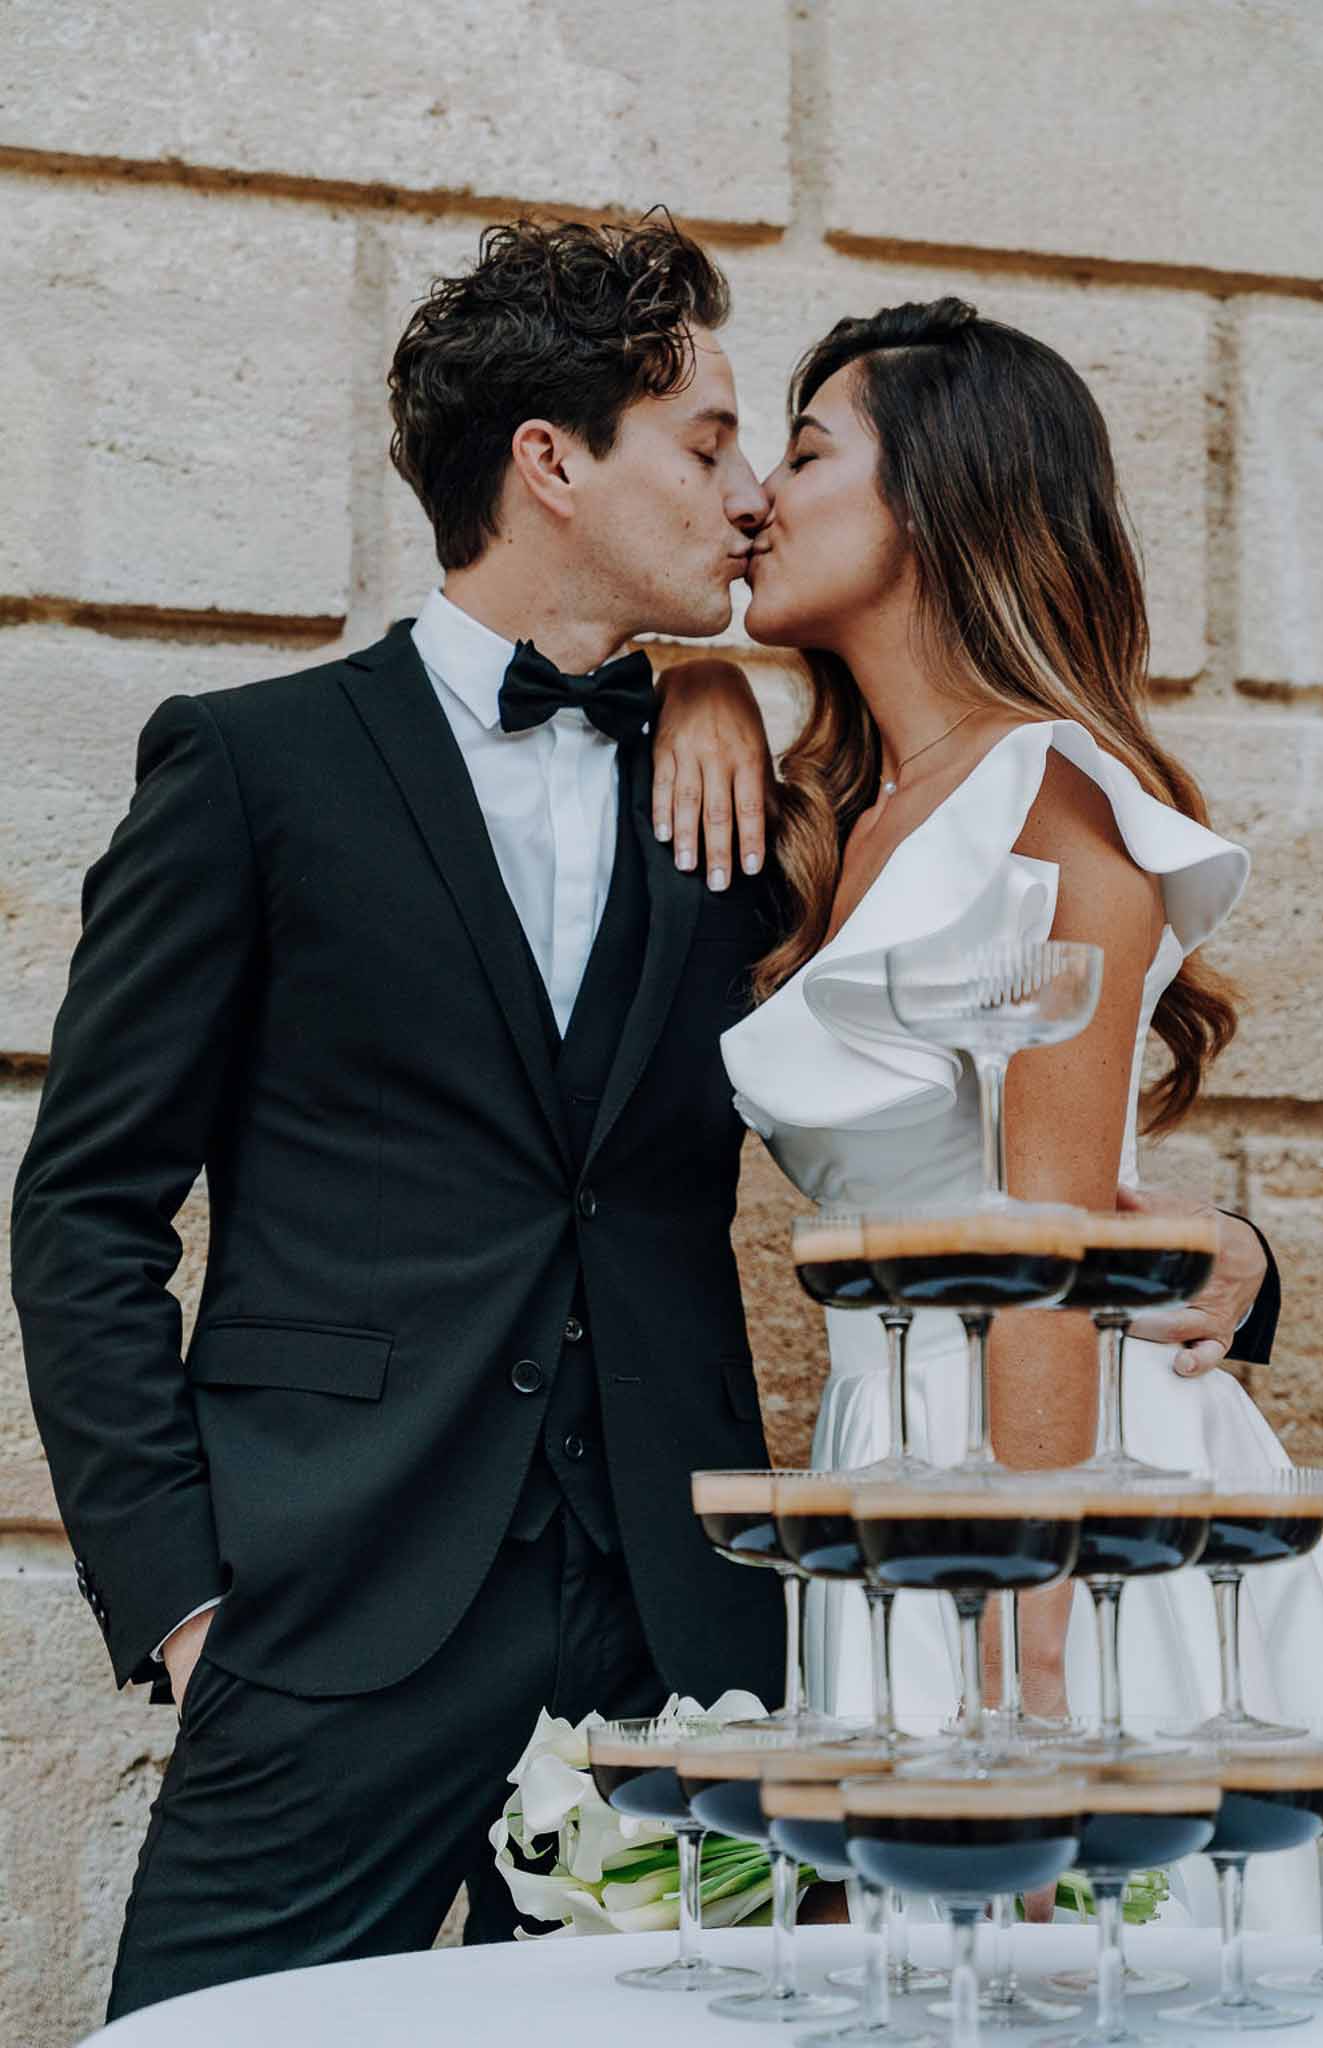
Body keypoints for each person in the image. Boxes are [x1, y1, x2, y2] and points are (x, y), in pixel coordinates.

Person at [10, 216, 793, 2020]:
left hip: (673, 1643)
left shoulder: (728, 784)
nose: (749, 496)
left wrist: (729, 685)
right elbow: (86, 1208)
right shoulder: (252, 767)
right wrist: (185, 1608)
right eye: (704, 446)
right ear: (551, 463)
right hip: (330, 1620)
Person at [708, 296, 1323, 1930]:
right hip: (888, 1445)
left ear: (938, 496)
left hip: (1042, 1480)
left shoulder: (1047, 809)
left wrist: (1033, 1649)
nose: (757, 498)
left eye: (806, 453)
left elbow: (1048, 1245)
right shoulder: (847, 808)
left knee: (1084, 1961)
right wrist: (693, 688)